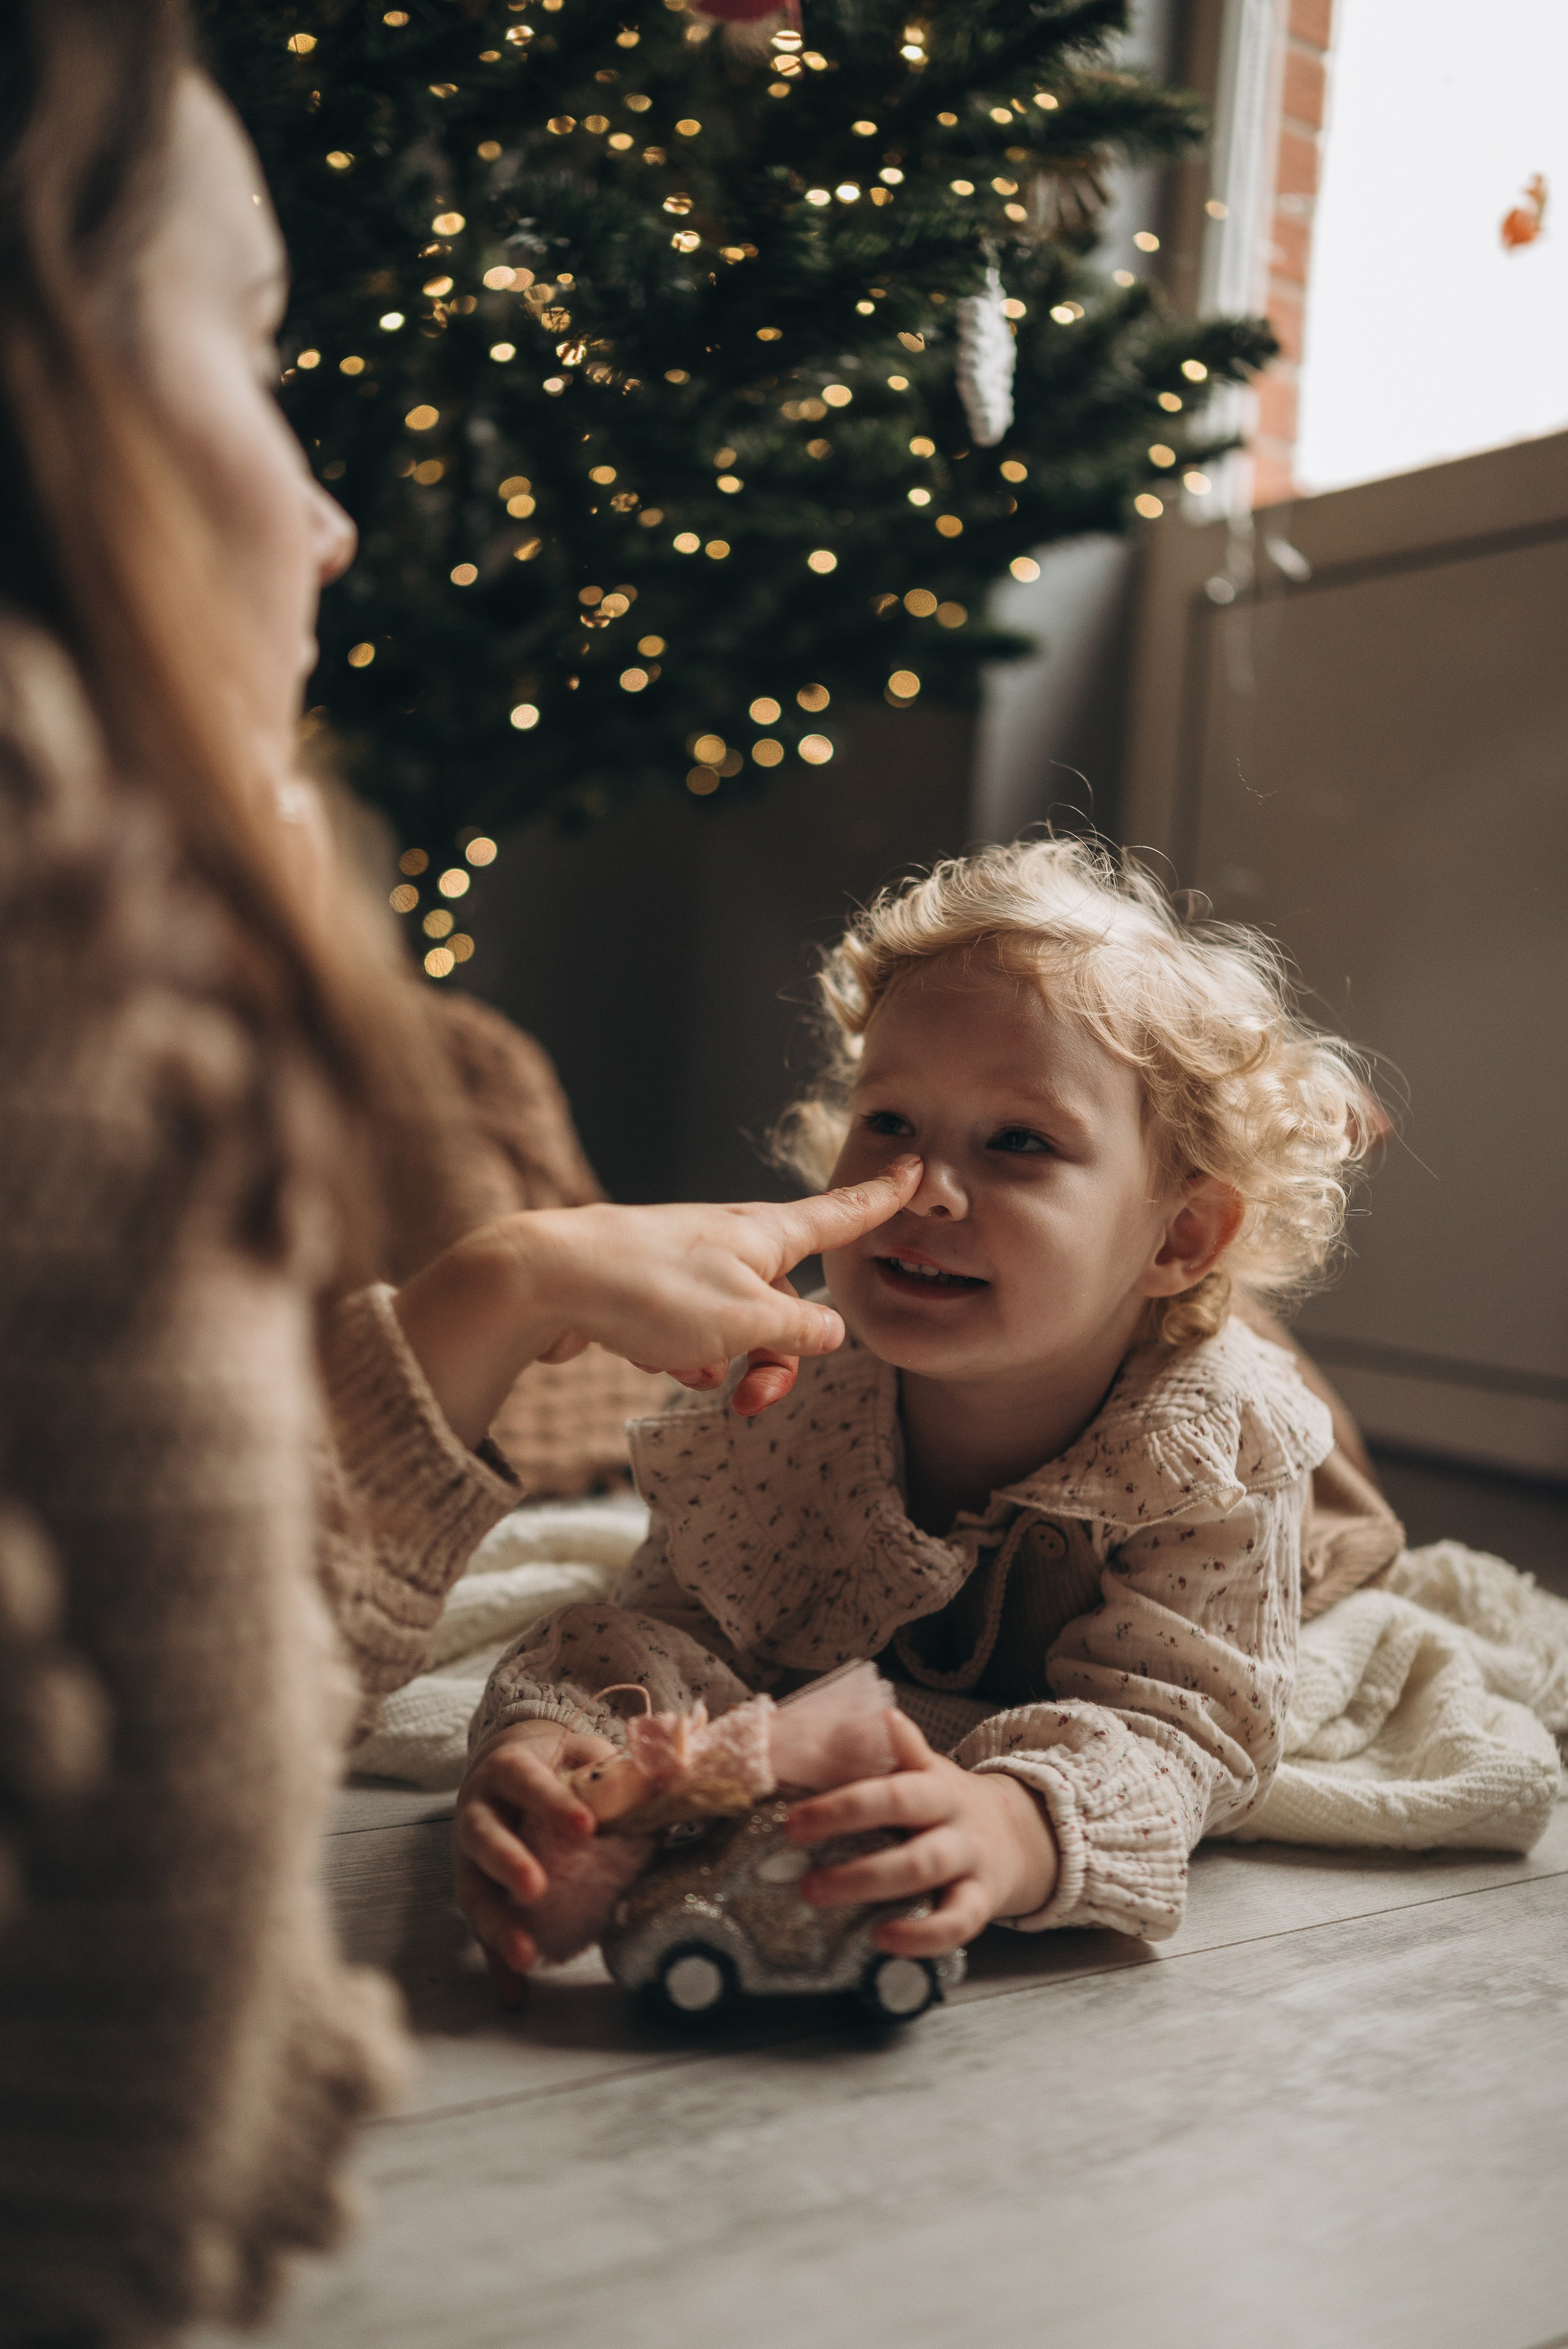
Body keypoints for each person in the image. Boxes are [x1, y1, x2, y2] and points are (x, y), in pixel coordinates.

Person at [0, 5, 916, 2338]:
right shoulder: (69, 933)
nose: (328, 514)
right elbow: (144, 2022)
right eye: (254, 350)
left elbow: (160, 1631)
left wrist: (512, 1280)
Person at [459, 839, 1386, 1983]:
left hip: (1246, 1457)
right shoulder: (788, 1392)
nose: (927, 1190)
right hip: (1061, 1327)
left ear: (1179, 1233)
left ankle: (1229, 1323)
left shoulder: (1214, 1448)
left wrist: (1015, 1827)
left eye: (1018, 1142)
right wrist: (564, 1738)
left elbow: (1186, 1724)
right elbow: (675, 1623)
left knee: (1312, 1489)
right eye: (891, 1123)